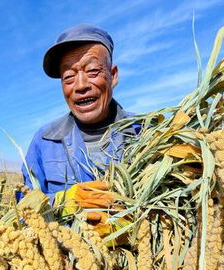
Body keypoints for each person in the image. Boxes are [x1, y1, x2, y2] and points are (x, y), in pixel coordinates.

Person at [22, 24, 140, 219]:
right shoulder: (44, 141)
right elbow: (24, 206)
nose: (81, 85)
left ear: (113, 75)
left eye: (93, 71)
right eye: (68, 77)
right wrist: (64, 202)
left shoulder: (146, 132)